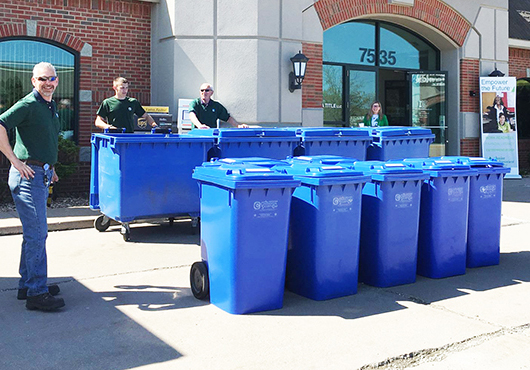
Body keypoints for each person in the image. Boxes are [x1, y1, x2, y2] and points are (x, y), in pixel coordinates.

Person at [0, 62, 65, 311]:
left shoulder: (49, 105)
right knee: (38, 234)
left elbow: (44, 139)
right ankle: (37, 293)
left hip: (41, 173)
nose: (48, 83)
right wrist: (15, 161)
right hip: (27, 177)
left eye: (52, 79)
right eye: (42, 79)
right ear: (33, 81)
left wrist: (52, 167)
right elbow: (1, 125)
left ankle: (27, 285)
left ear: (57, 81)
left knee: (33, 234)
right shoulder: (28, 104)